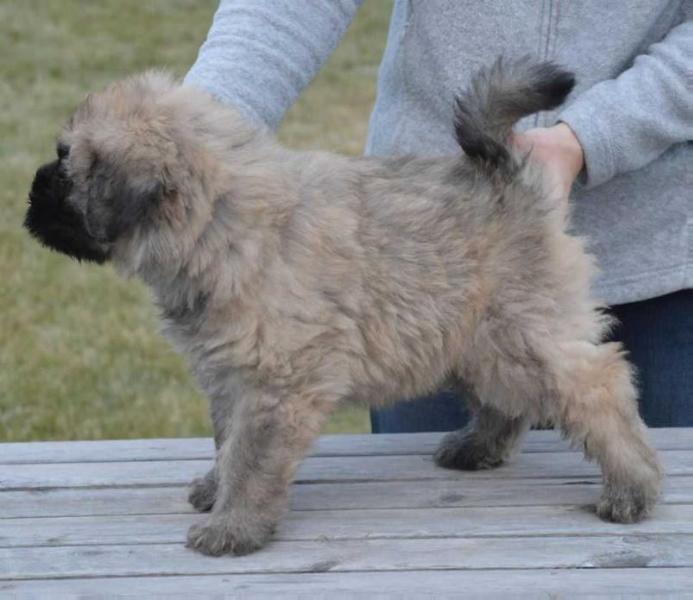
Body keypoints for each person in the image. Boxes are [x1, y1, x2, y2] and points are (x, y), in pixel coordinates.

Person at [186, 1, 693, 430]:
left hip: (660, 265)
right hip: (423, 260)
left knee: (658, 527)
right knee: (425, 535)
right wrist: (191, 140)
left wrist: (593, 135)